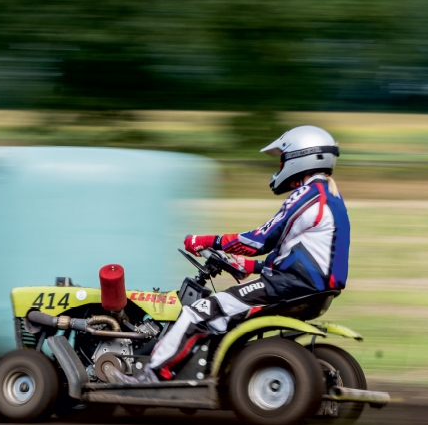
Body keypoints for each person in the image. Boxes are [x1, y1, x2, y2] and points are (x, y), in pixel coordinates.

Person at [104, 125, 350, 384]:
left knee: (197, 312)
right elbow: (298, 254)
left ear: (299, 158)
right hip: (305, 285)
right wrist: (251, 268)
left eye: (282, 159)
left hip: (288, 286)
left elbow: (260, 240)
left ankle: (150, 377)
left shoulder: (307, 195)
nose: (279, 166)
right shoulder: (330, 197)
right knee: (220, 316)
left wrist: (207, 241)